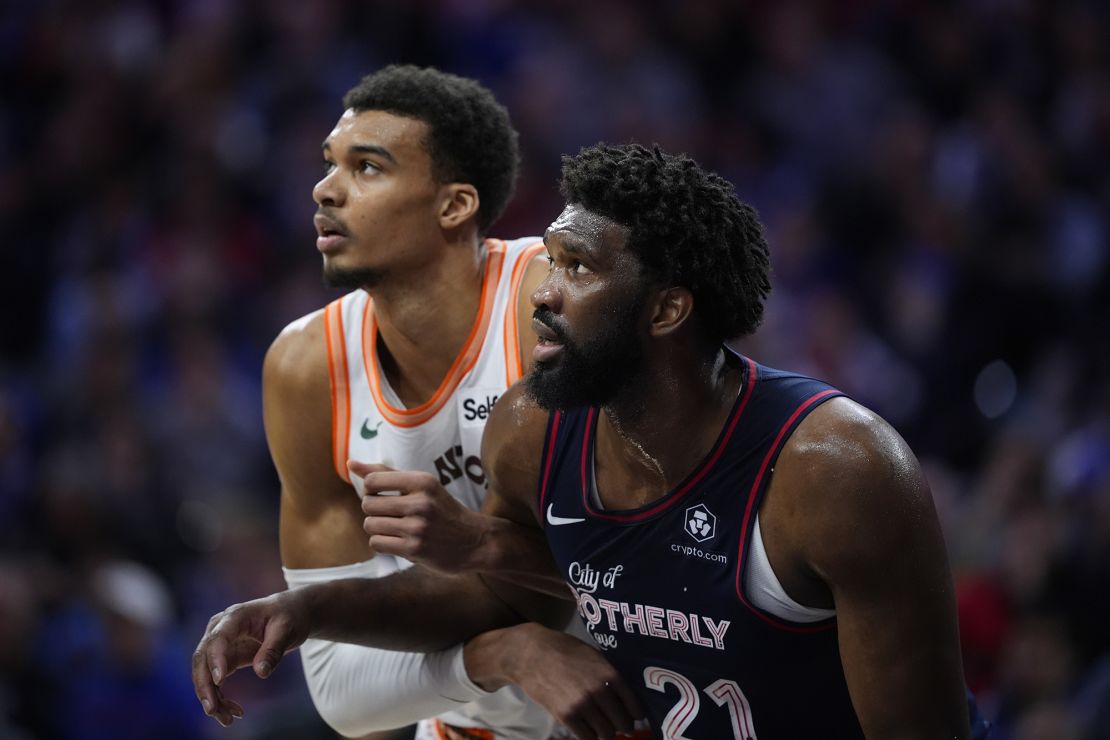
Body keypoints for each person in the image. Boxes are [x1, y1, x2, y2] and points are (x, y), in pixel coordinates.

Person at [194, 143, 992, 739]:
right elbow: (494, 595)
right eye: (548, 261)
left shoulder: (838, 473)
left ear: (666, 312)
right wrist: (306, 608)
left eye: (576, 269)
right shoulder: (530, 431)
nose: (540, 291)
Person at [255, 64, 559, 740]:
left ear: (454, 206)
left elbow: (664, 581)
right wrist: (496, 655)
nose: (324, 189)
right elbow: (341, 693)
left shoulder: (548, 305)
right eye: (330, 164)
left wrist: (481, 544)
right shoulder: (306, 367)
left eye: (367, 168)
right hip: (470, 726)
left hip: (650, 705)